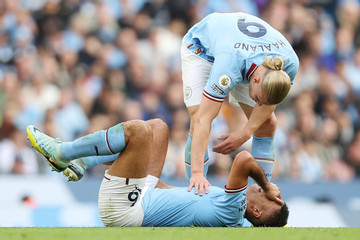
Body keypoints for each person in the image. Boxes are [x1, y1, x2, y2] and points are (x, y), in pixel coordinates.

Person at [26, 118, 288, 227]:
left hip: (126, 210)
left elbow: (243, 159)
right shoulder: (236, 217)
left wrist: (265, 185)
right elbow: (176, 200)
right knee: (159, 127)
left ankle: (64, 153)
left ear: (256, 211)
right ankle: (81, 164)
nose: (271, 192)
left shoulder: (234, 208)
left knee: (138, 132)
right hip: (145, 194)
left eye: (271, 198)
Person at [181, 12, 299, 195]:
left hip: (240, 52)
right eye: (259, 99)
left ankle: (262, 193)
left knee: (267, 124)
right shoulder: (229, 66)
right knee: (198, 114)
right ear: (257, 80)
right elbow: (203, 120)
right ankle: (196, 189)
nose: (259, 104)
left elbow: (268, 105)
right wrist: (196, 172)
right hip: (201, 48)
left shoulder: (289, 64)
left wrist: (246, 133)